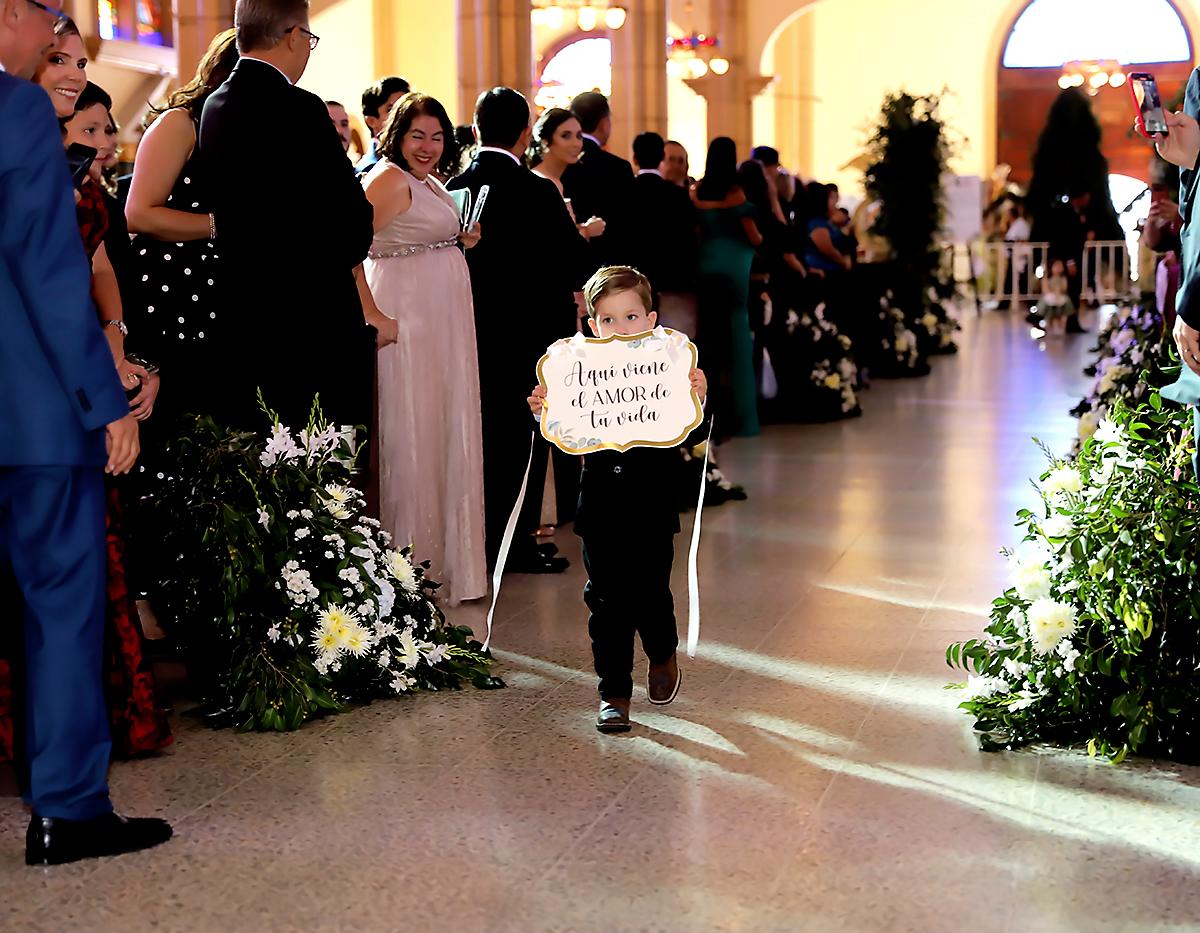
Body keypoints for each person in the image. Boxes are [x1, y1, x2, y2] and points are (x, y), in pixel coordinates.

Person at [0, 0, 172, 864]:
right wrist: (102, 397)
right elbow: (42, 257)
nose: (58, 36)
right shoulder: (16, 107)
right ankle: (66, 807)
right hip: (28, 408)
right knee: (60, 603)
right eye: (48, 17)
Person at [526, 267, 707, 733]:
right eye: (608, 319)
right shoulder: (579, 370)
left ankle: (663, 651)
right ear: (591, 325)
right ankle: (614, 692)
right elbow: (563, 435)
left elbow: (693, 433)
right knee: (606, 601)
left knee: (650, 594)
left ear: (650, 319)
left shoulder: (669, 368)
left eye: (630, 317)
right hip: (600, 506)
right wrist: (545, 411)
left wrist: (697, 400)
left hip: (652, 504)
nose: (620, 328)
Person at [200, 0, 376, 432]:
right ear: (294, 35)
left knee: (262, 464)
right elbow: (350, 218)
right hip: (310, 319)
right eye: (310, 39)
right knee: (319, 467)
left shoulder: (214, 105)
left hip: (242, 313)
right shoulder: (300, 107)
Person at [448, 87, 588, 573]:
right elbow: (574, 262)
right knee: (524, 440)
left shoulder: (455, 185)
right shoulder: (536, 190)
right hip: (531, 335)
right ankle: (516, 541)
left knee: (477, 436)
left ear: (475, 124)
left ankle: (476, 539)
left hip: (469, 331)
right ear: (527, 133)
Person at [361, 93, 486, 606]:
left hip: (442, 324)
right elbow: (348, 247)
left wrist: (461, 238)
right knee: (411, 428)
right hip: (406, 318)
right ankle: (409, 567)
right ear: (397, 134)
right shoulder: (388, 178)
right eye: (418, 135)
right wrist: (372, 314)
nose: (428, 146)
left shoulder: (429, 180)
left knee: (441, 424)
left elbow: (424, 232)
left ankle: (445, 562)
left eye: (437, 137)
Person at [126, 29, 237, 426]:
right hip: (172, 292)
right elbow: (138, 213)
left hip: (223, 298)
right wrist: (219, 225)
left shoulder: (245, 138)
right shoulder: (181, 123)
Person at [693, 136, 762, 440]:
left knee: (708, 337)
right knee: (738, 337)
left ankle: (710, 410)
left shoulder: (696, 192)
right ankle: (743, 416)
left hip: (705, 263)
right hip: (735, 264)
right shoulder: (735, 193)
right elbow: (755, 237)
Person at [628, 131, 697, 327]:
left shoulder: (623, 191)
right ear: (661, 158)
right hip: (671, 277)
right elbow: (687, 237)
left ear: (634, 158)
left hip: (632, 277)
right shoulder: (678, 196)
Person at [562, 91, 634, 267]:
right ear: (604, 124)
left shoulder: (558, 163)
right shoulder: (618, 167)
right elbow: (628, 225)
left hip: (567, 262)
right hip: (609, 265)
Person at [528, 107, 605, 242]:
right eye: (566, 136)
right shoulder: (540, 181)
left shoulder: (558, 181)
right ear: (545, 141)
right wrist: (587, 231)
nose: (576, 143)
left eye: (579, 136)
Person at [356, 74, 409, 175]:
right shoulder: (370, 169)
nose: (404, 116)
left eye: (407, 108)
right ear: (371, 121)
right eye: (391, 110)